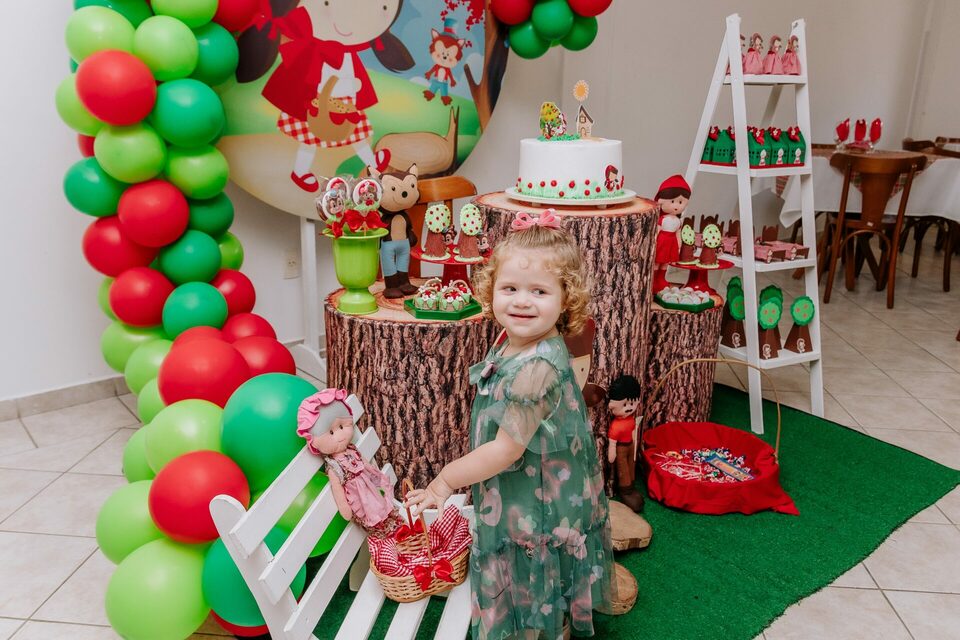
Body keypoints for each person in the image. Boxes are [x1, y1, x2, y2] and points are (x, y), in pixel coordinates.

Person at [406, 210, 621, 639]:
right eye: (510, 289)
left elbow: (507, 449)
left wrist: (444, 482)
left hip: (534, 494)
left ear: (566, 300)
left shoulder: (537, 367)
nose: (521, 301)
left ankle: (541, 627)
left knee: (531, 562)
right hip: (521, 485)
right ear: (492, 292)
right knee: (532, 562)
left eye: (539, 291)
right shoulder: (515, 337)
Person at [652, 174, 692, 294]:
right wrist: (654, 241)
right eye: (673, 201)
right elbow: (657, 231)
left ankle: (661, 278)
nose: (676, 206)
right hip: (662, 243)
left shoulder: (678, 221)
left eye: (680, 202)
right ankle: (653, 280)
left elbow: (678, 234)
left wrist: (679, 245)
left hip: (671, 244)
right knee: (657, 262)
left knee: (665, 263)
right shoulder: (662, 219)